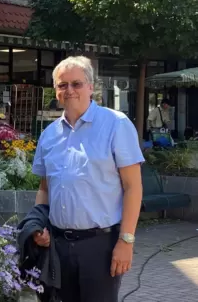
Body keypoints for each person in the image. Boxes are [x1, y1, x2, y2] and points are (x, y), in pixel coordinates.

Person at [30, 56, 144, 302]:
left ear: (92, 87)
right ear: (56, 91)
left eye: (76, 84)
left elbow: (133, 187)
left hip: (100, 246)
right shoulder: (49, 135)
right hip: (57, 247)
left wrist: (126, 241)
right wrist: (39, 225)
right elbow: (44, 189)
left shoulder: (116, 124)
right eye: (62, 85)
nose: (69, 90)